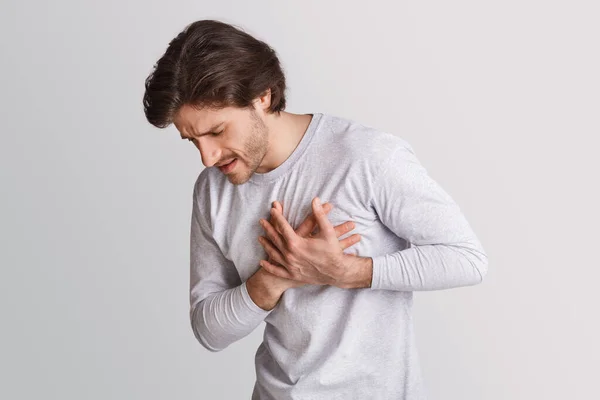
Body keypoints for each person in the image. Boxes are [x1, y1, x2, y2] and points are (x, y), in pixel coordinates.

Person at [142, 19, 488, 400]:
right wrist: (273, 279)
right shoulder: (212, 191)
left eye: (217, 131)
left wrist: (346, 271)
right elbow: (209, 332)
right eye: (192, 140)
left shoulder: (366, 156)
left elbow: (466, 259)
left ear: (263, 97)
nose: (207, 158)